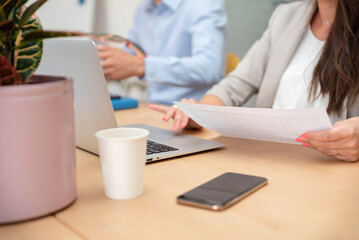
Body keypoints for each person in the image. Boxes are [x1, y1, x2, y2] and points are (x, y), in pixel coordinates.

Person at [148, 0, 359, 162]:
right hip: (268, 158)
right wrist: (197, 114)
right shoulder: (286, 16)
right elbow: (236, 84)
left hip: (329, 169)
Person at [97, 0, 227, 106]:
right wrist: (98, 63)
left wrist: (141, 66)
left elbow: (210, 67)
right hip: (153, 108)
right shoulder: (143, 9)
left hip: (193, 115)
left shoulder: (204, 4)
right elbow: (129, 54)